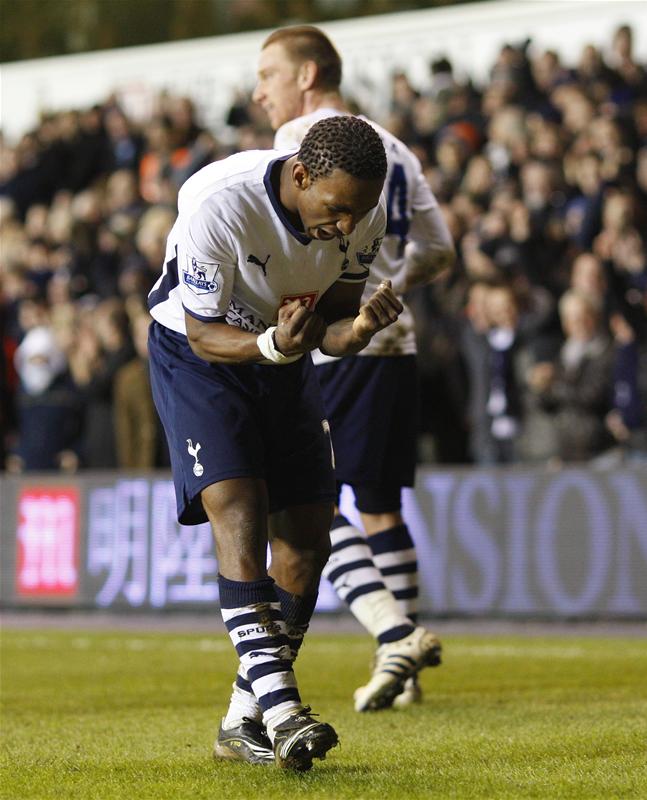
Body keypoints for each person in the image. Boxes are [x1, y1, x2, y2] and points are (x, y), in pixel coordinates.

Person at [147, 115, 432, 771]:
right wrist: (274, 343)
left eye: (357, 213)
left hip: (285, 359)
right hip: (200, 360)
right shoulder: (220, 206)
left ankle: (239, 722)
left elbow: (328, 328)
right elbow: (202, 334)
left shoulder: (360, 216)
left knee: (306, 537)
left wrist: (356, 330)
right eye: (335, 209)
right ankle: (282, 712)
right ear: (300, 175)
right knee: (239, 506)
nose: (344, 225)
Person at [251, 25, 455, 716]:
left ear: (306, 75)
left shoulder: (301, 145)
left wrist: (354, 292)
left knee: (307, 497)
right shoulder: (391, 145)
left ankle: (391, 633)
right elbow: (439, 249)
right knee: (377, 504)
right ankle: (404, 662)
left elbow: (281, 245)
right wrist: (390, 280)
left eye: (269, 76)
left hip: (336, 340)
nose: (260, 92)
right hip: (395, 344)